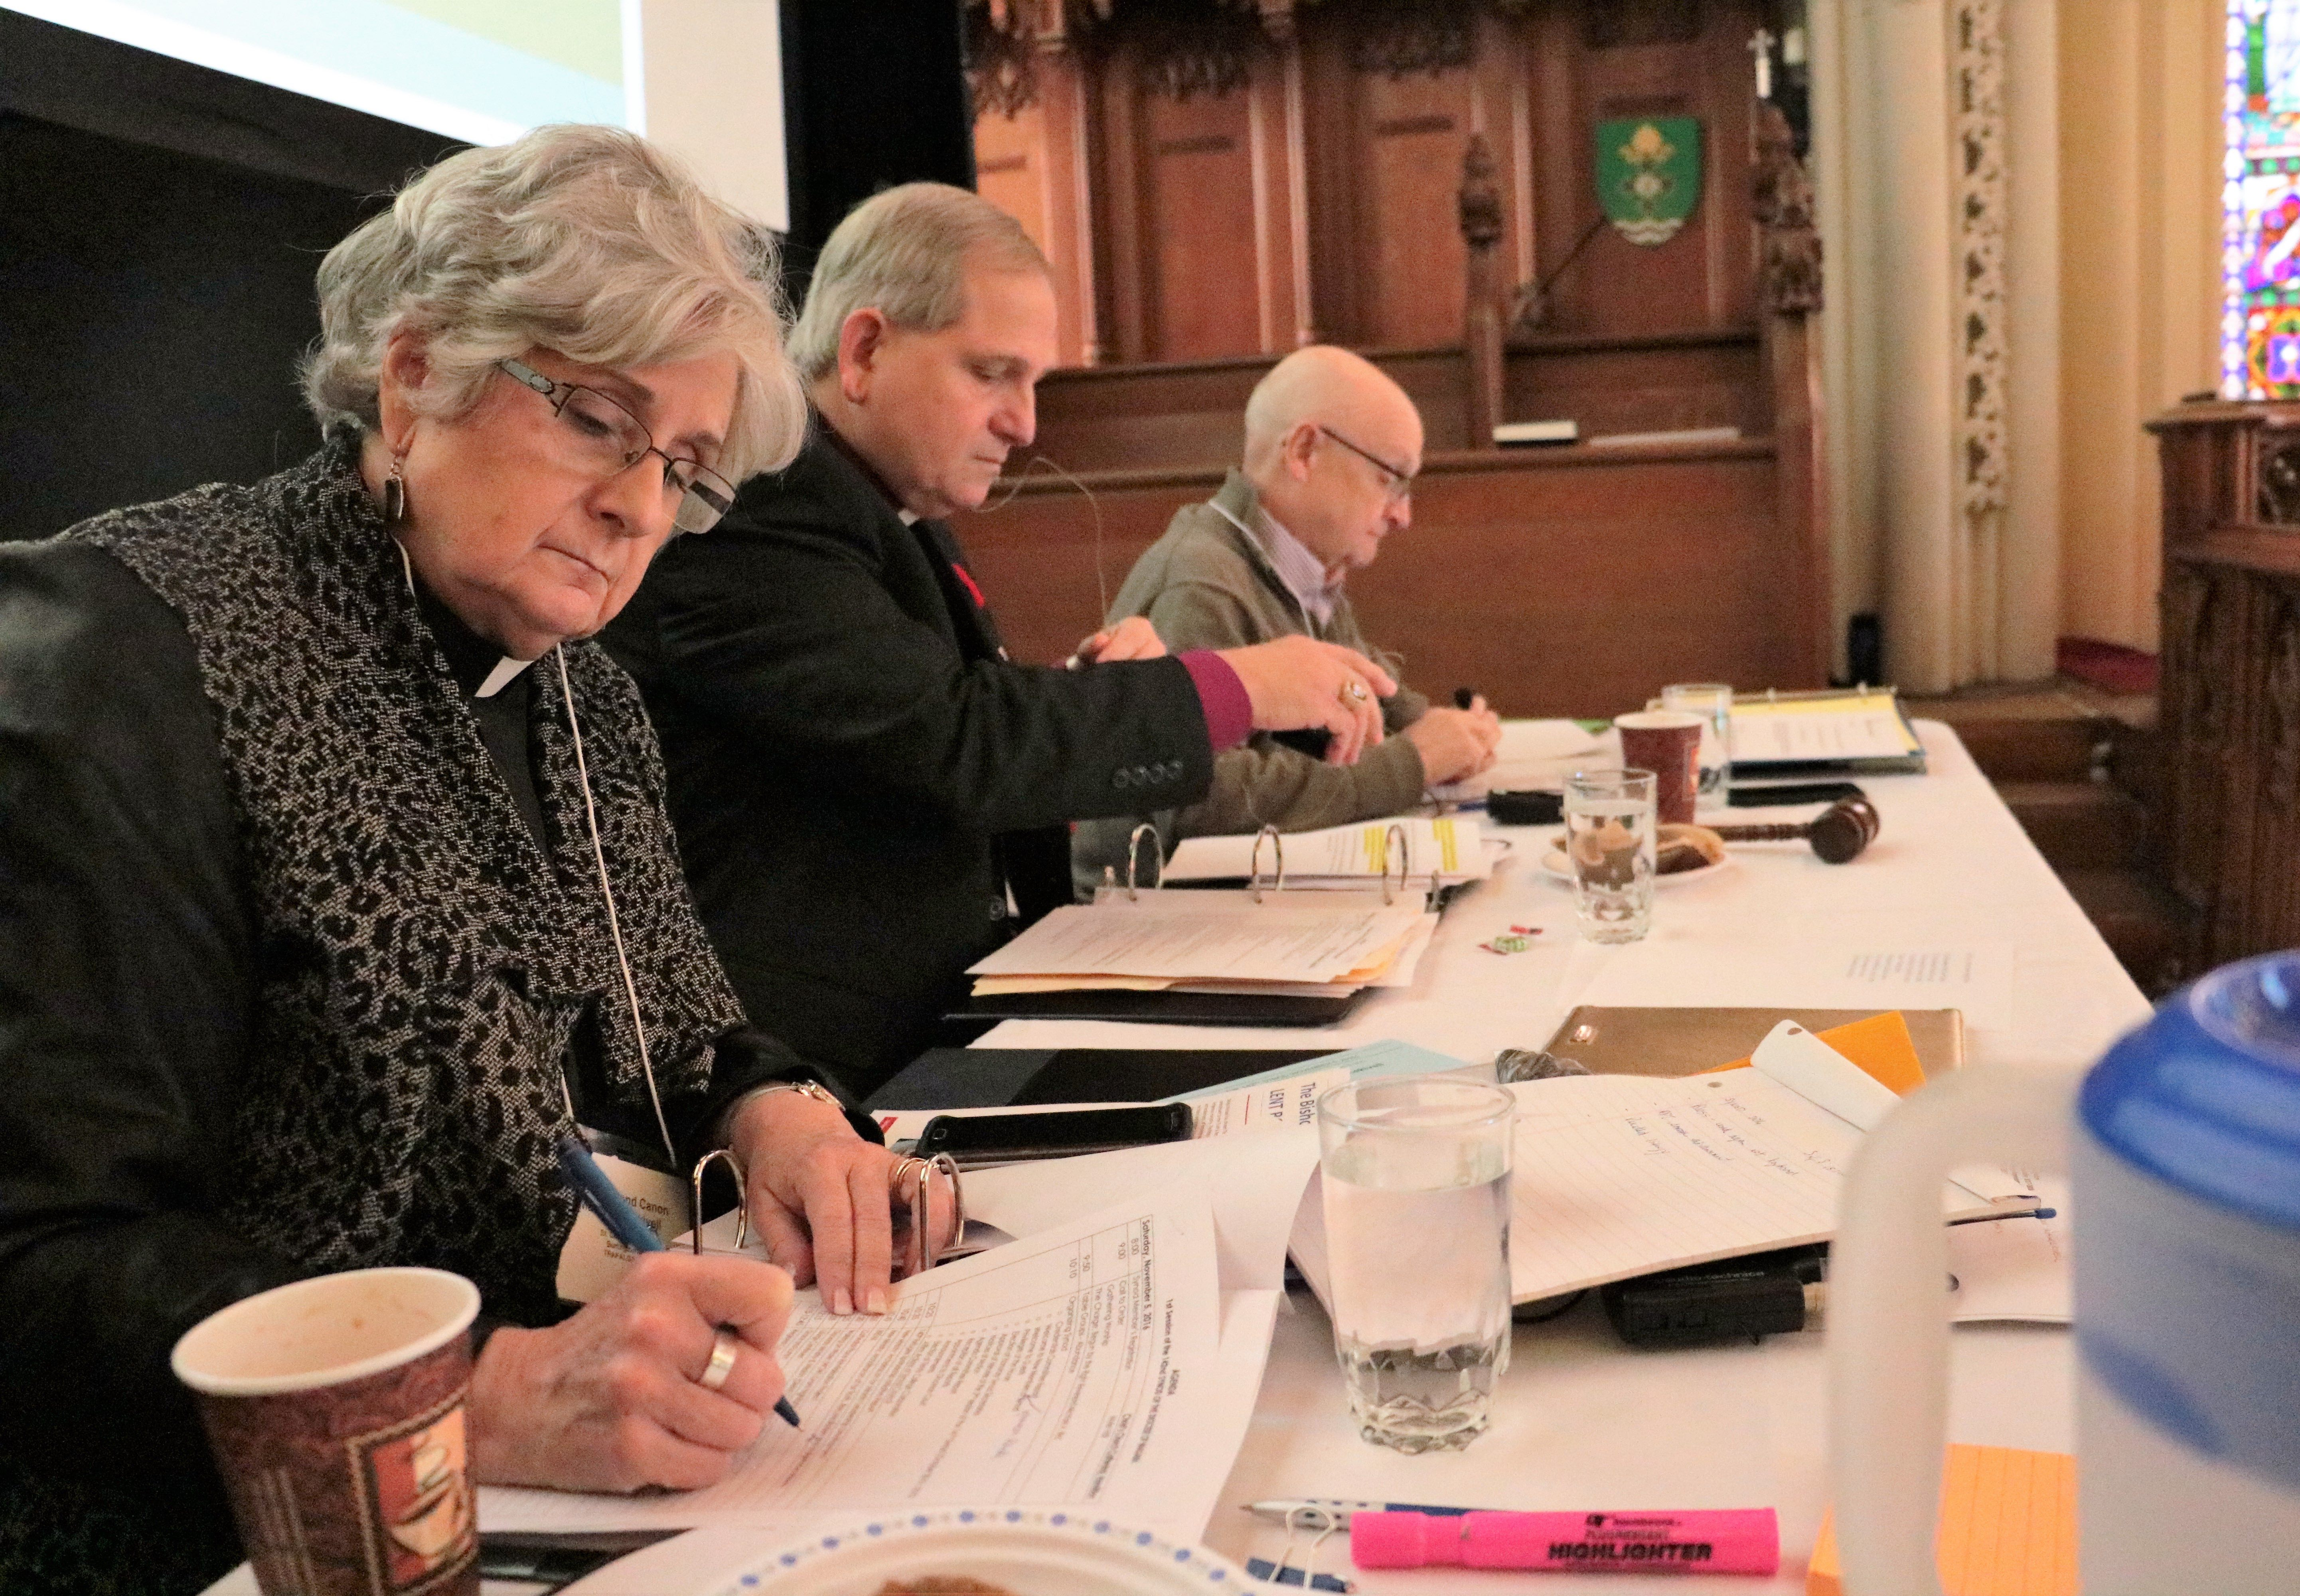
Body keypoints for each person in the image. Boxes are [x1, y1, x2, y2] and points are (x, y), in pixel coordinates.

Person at [0, 128, 947, 1595]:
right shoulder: (134, 651)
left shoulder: (585, 695)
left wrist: (779, 1116)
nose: (642, 507)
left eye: (683, 466)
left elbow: (671, 1029)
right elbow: (42, 1262)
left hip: (566, 1521)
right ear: (417, 373)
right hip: (223, 1546)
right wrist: (490, 1395)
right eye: (596, 419)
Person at [606, 184, 1397, 1096]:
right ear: (865, 349)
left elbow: (903, 728)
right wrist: (1228, 688)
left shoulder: (885, 507)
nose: (1026, 424)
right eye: (993, 374)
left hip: (930, 1022)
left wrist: (1092, 690)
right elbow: (956, 741)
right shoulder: (763, 497)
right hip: (808, 1081)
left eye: (1034, 383)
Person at [1074, 346, 1502, 887]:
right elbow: (1198, 798)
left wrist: (1434, 727)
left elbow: (1364, 695)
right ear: (1304, 450)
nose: (1402, 514)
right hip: (1159, 927)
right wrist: (1413, 764)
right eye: (1391, 478)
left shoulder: (1304, 566)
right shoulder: (1201, 579)